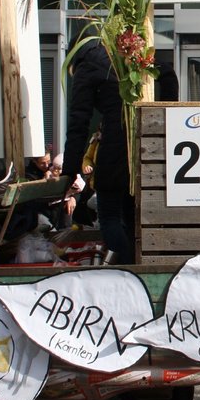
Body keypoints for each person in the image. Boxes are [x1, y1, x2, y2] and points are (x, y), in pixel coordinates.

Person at [61, 39, 134, 263]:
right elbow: (167, 74)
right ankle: (136, 266)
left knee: (109, 215)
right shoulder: (121, 57)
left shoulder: (87, 65)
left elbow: (79, 120)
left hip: (114, 144)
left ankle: (126, 268)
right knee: (132, 217)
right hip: (141, 142)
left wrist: (70, 170)